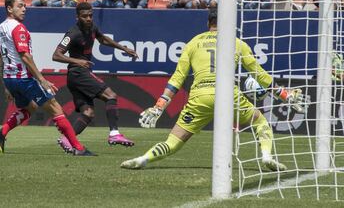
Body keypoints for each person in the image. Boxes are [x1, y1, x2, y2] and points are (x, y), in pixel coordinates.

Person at [120, 9, 305, 171]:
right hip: (227, 95)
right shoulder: (236, 42)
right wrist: (284, 94)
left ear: (208, 23)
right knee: (260, 122)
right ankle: (266, 156)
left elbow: (177, 78)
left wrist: (159, 106)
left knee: (174, 141)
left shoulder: (193, 43)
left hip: (199, 96)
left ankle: (143, 159)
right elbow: (259, 74)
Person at [0, 0, 94, 156]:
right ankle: (78, 148)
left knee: (30, 107)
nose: (24, 9)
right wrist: (42, 79)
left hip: (10, 79)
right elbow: (25, 56)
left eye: (24, 5)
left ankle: (1, 133)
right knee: (56, 108)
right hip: (24, 78)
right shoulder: (18, 28)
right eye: (20, 6)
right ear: (9, 9)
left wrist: (6, 86)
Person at [52, 2, 138, 152]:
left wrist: (123, 48)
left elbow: (103, 39)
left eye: (90, 15)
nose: (88, 18)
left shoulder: (92, 27)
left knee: (88, 113)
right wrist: (77, 60)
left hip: (78, 76)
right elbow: (56, 55)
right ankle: (114, 133)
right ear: (77, 17)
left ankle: (67, 139)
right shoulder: (73, 33)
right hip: (78, 73)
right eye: (84, 16)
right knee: (110, 95)